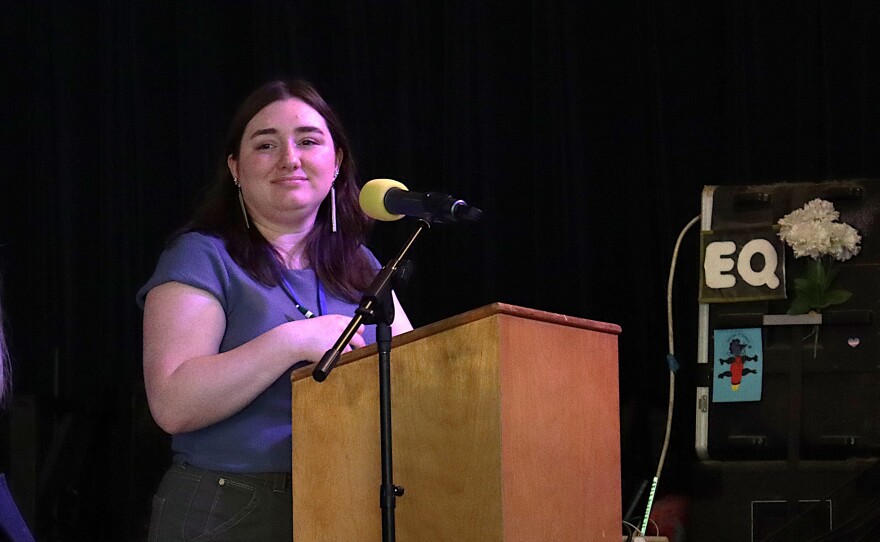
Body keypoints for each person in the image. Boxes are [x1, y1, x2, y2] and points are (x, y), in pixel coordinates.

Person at [137, 79, 412, 541]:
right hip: (227, 505)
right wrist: (291, 342)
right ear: (235, 168)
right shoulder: (202, 256)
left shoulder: (361, 264)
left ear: (337, 162)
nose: (290, 158)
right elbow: (172, 403)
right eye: (266, 144)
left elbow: (415, 374)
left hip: (344, 499)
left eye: (308, 141)